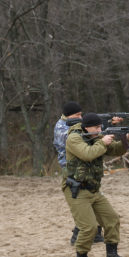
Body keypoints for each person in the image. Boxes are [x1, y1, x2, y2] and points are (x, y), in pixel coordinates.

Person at [63, 112, 129, 257]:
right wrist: (102, 142)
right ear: (86, 127)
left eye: (100, 127)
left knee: (112, 219)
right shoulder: (74, 138)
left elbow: (117, 150)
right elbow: (87, 154)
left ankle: (112, 255)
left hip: (93, 188)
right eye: (97, 127)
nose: (100, 129)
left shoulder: (97, 137)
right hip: (76, 189)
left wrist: (127, 139)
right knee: (89, 227)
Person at [54, 101, 105, 245]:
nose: (80, 117)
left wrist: (106, 126)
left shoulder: (71, 126)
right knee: (82, 201)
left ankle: (95, 233)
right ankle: (78, 235)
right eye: (78, 115)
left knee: (92, 197)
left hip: (82, 165)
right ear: (69, 116)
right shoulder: (61, 128)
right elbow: (83, 139)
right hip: (71, 168)